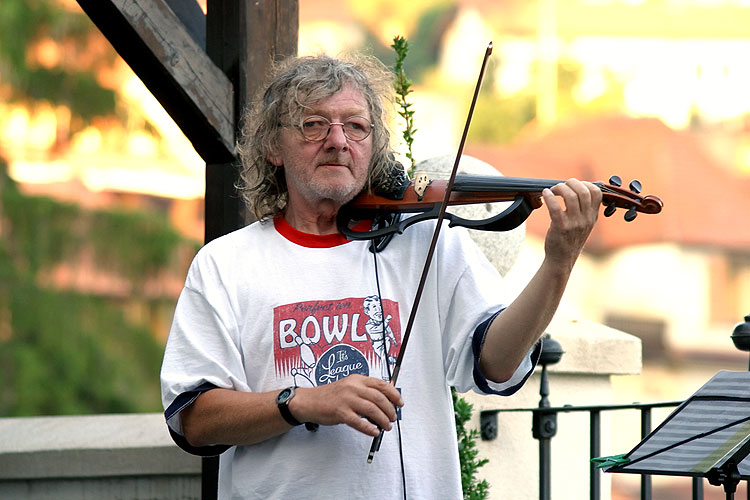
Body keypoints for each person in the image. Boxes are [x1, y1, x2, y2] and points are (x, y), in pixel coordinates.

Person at [160, 53, 602, 500]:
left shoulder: (425, 241)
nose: (338, 140)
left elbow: (498, 364)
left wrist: (558, 263)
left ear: (373, 147)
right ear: (274, 147)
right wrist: (300, 402)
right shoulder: (226, 263)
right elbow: (193, 418)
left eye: (356, 126)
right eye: (314, 124)